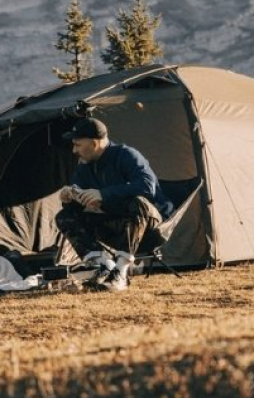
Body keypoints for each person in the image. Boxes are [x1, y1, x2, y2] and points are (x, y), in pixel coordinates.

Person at [56, 117, 173, 291]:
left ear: (94, 144)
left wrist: (103, 194)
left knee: (139, 202)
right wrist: (69, 198)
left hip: (150, 228)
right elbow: (77, 207)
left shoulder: (126, 155)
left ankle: (121, 273)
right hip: (114, 227)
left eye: (78, 145)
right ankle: (105, 266)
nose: (74, 150)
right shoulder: (84, 167)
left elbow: (148, 187)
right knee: (65, 216)